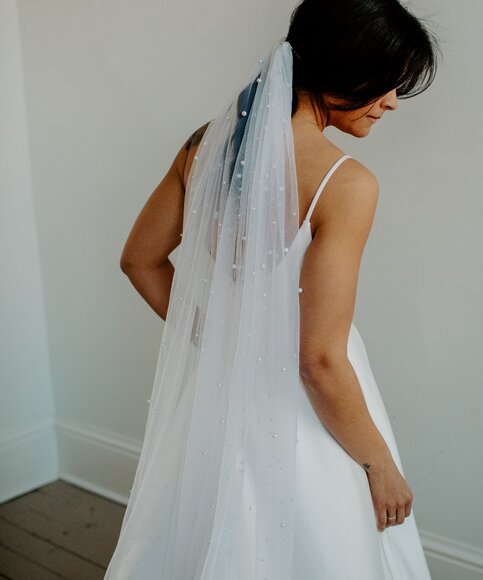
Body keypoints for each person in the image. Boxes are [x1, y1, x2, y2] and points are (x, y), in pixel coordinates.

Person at [113, 1, 439, 578]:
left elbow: (140, 260)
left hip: (221, 401)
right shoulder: (346, 184)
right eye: (386, 83)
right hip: (303, 418)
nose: (392, 102)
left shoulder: (203, 147)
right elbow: (319, 360)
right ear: (343, 68)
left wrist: (224, 338)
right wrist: (379, 464)